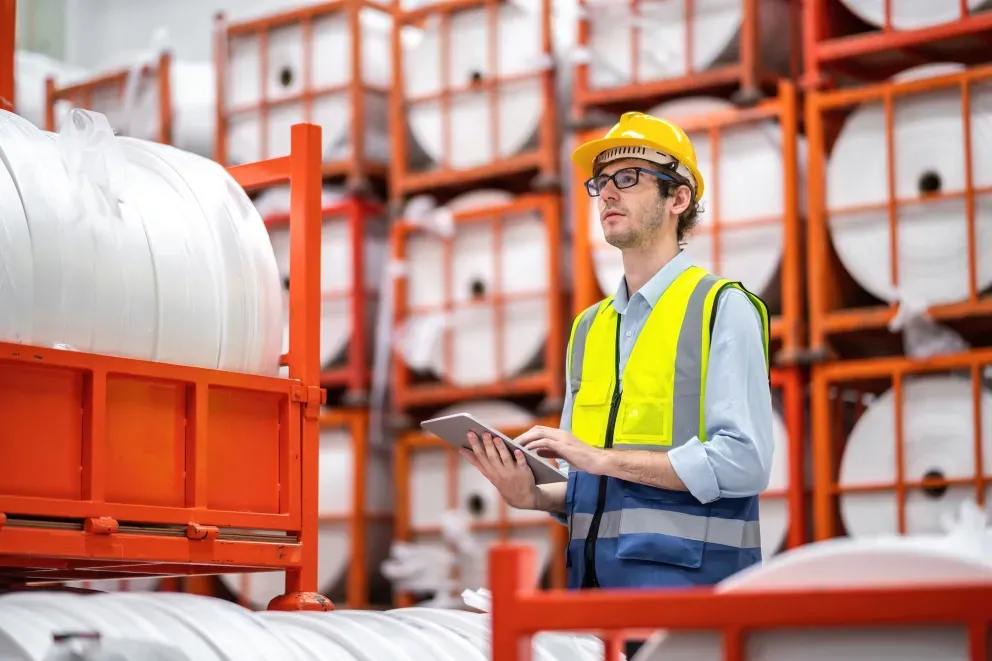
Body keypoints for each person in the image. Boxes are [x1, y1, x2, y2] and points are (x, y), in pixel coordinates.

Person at [461, 111, 774, 655]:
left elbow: (745, 461)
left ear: (678, 200)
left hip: (690, 611)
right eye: (600, 183)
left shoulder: (722, 308)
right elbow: (591, 486)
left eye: (627, 178)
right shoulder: (588, 329)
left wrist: (603, 458)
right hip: (595, 610)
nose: (608, 193)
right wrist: (534, 494)